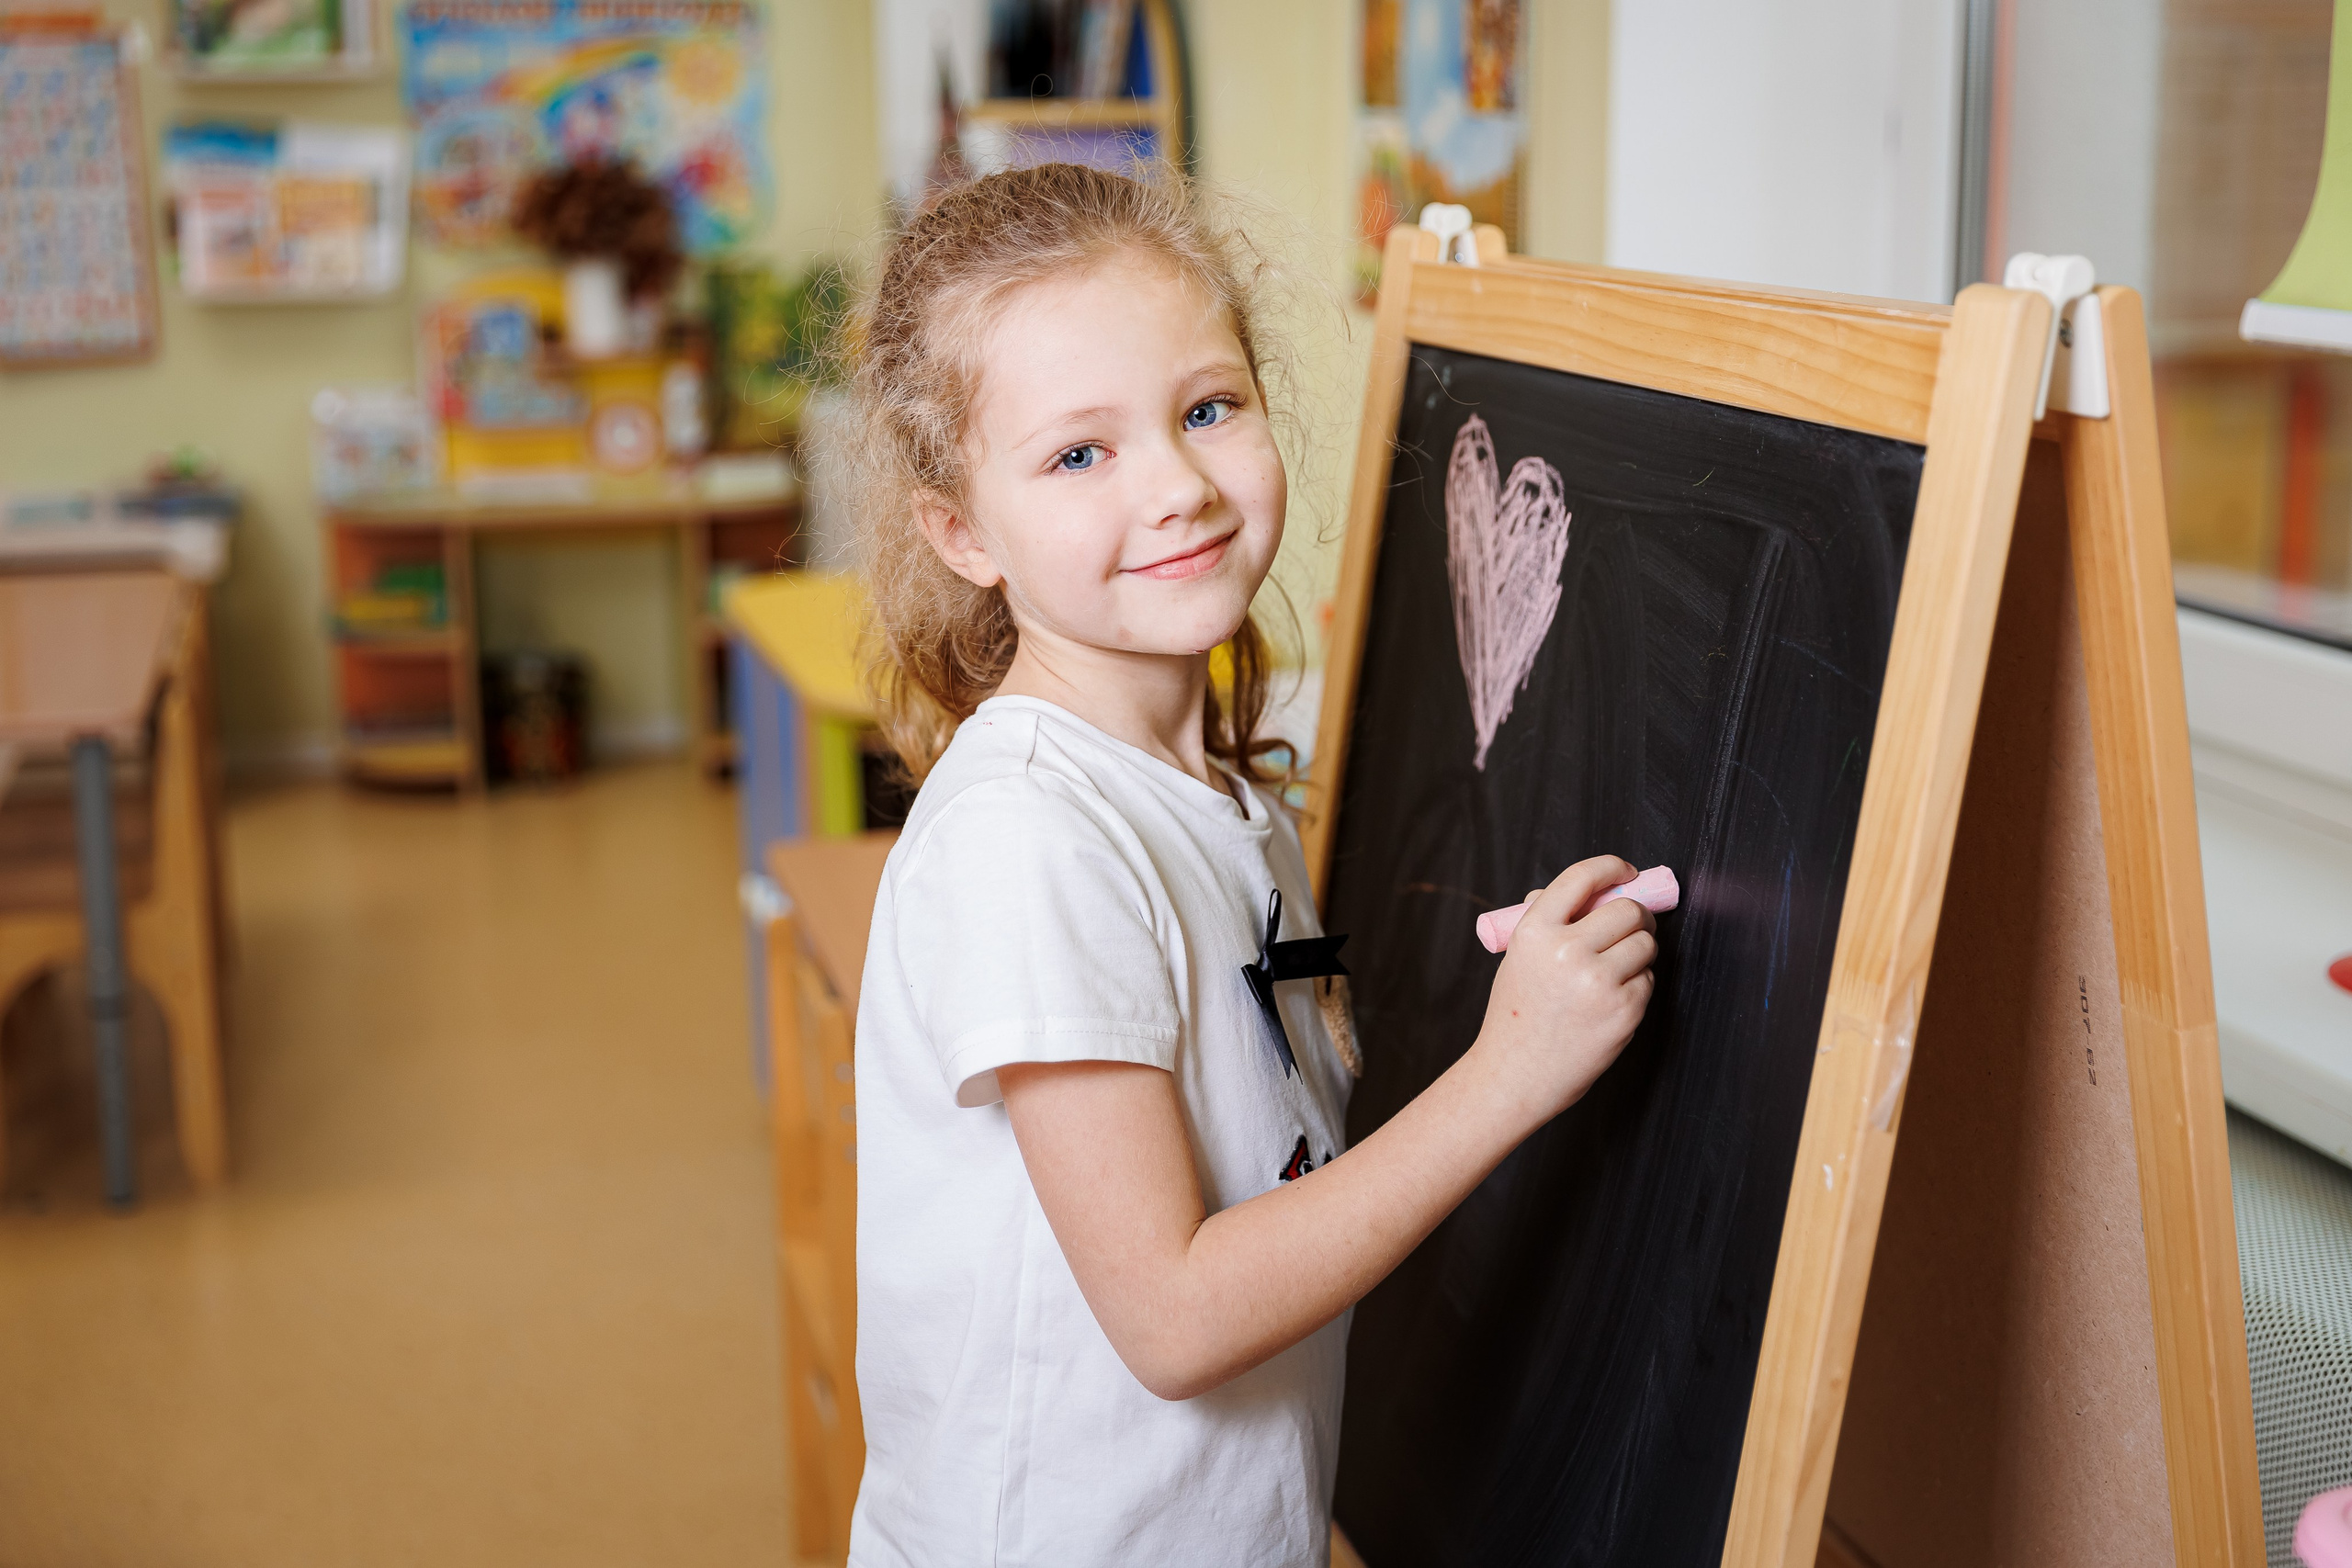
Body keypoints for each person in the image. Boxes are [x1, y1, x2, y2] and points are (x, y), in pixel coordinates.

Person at [841, 163, 1657, 1567]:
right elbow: (1174, 1318)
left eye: (1207, 408)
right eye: (1079, 455)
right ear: (963, 532)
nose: (1177, 486)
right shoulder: (1029, 842)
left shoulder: (1219, 794)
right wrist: (1511, 1073)